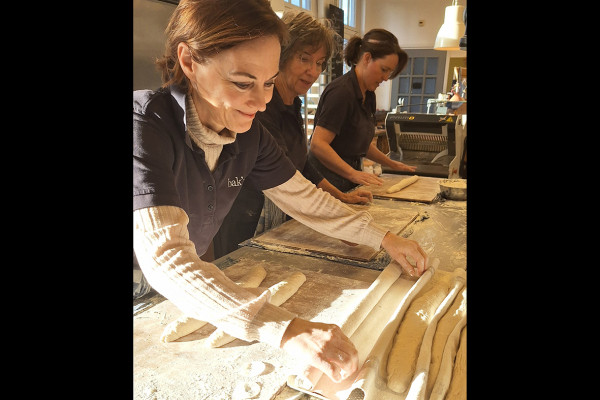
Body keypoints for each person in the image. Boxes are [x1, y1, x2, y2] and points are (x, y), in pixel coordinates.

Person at [133, 0, 428, 384]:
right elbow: (165, 257)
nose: (262, 101)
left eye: (269, 81)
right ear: (188, 61)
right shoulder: (146, 125)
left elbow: (303, 197)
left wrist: (382, 238)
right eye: (242, 83)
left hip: (180, 289)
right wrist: (285, 329)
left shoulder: (248, 133)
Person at [212, 10, 373, 259]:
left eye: (319, 63)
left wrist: (339, 196)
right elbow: (285, 175)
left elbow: (302, 164)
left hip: (282, 212)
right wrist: (342, 223)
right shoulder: (261, 108)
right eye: (304, 59)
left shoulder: (292, 103)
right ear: (281, 56)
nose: (313, 71)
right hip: (247, 218)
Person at [308, 29, 417, 193]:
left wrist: (392, 164)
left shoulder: (368, 95)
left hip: (347, 180)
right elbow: (317, 145)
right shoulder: (341, 93)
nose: (386, 78)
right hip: (325, 182)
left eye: (389, 72)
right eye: (384, 69)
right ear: (367, 58)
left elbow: (361, 145)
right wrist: (352, 173)